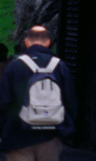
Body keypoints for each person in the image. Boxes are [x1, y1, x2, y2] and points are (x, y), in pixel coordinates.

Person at [0, 23, 77, 161]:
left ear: (26, 42)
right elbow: (70, 101)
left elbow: (3, 102)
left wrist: (4, 133)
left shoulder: (14, 66)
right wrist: (65, 130)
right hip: (50, 135)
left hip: (18, 134)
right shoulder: (60, 66)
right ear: (48, 42)